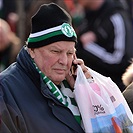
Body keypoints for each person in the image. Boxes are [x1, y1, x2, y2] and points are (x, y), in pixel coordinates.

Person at [0, 3, 91, 133]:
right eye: (55, 51)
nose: (64, 61)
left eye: (70, 53)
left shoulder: (74, 84)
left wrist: (87, 90)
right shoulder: (5, 91)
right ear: (32, 50)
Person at [75, 0, 133, 92]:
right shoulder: (88, 14)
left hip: (115, 91)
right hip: (91, 87)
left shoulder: (116, 16)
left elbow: (120, 60)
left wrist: (87, 46)